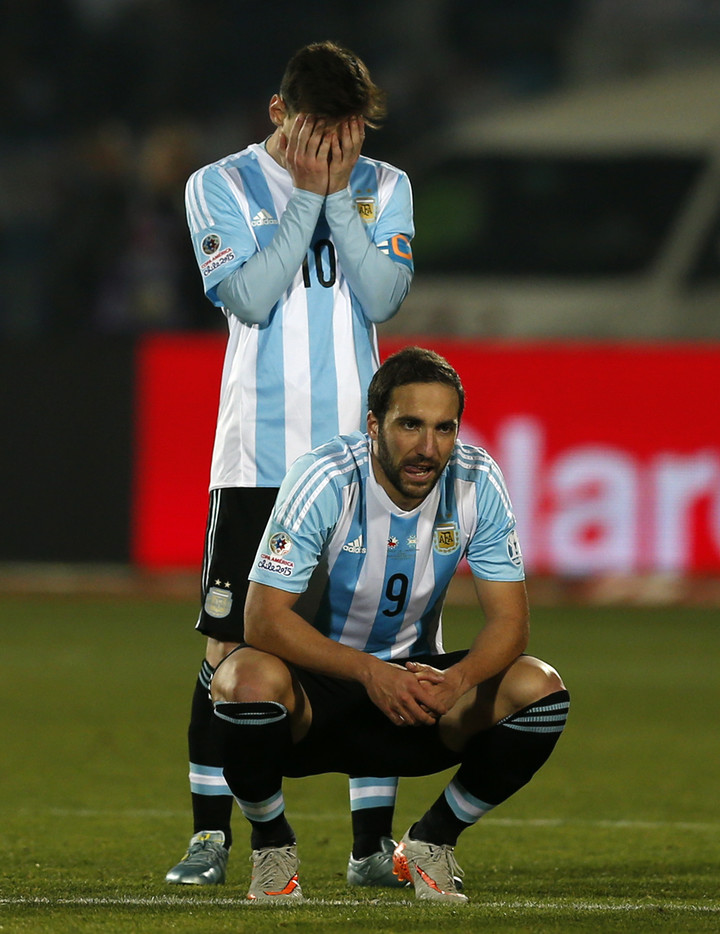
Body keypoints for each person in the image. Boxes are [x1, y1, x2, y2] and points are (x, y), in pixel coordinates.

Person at [165, 42, 414, 888]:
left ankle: (370, 846)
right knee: (227, 649)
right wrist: (309, 197)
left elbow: (381, 299)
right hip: (258, 459)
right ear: (280, 115)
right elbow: (250, 297)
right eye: (323, 133)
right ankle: (210, 839)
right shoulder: (220, 186)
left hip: (358, 463)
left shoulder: (384, 185)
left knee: (377, 642)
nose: (340, 149)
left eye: (351, 134)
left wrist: (339, 194)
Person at [209, 346, 570, 903]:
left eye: (444, 428)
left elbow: (511, 624)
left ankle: (432, 841)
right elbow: (261, 619)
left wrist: (458, 681)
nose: (429, 448)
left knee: (538, 687)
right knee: (240, 680)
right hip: (314, 702)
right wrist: (369, 672)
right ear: (374, 425)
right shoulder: (325, 477)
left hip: (415, 699)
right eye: (410, 425)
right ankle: (272, 844)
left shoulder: (477, 479)